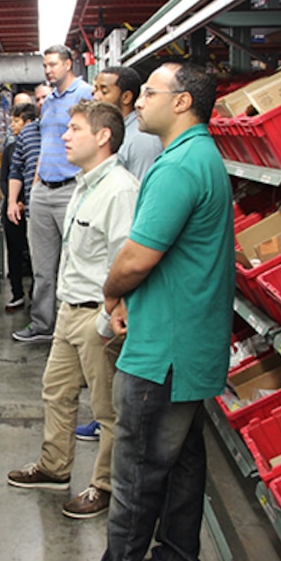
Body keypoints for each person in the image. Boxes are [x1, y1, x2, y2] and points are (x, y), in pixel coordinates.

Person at [50, 63, 234, 561]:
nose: (138, 102)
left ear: (181, 104)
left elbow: (135, 255)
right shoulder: (201, 157)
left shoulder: (178, 166)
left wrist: (110, 293)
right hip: (193, 340)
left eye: (149, 93)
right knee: (181, 462)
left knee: (135, 469)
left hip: (165, 345)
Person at [7, 101, 138, 520]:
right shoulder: (85, 183)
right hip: (69, 309)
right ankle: (54, 467)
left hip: (96, 315)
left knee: (107, 409)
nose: (64, 136)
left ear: (102, 137)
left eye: (74, 128)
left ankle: (105, 485)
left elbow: (126, 262)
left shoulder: (120, 190)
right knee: (56, 391)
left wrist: (107, 317)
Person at [75, 66, 164, 443]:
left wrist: (117, 296)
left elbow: (136, 208)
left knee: (111, 368)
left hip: (124, 266)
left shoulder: (140, 144)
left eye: (103, 88)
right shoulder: (127, 141)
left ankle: (109, 425)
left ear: (125, 97)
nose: (96, 93)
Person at [13, 45, 91, 342]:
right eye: (45, 65)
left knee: (74, 263)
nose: (48, 70)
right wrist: (34, 185)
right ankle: (43, 325)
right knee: (42, 266)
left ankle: (71, 330)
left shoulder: (85, 95)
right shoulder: (49, 102)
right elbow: (46, 146)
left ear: (69, 64)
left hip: (71, 188)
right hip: (43, 190)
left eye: (54, 64)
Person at [3, 101, 40, 311]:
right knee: (15, 252)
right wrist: (13, 202)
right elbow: (7, 177)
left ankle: (36, 294)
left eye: (16, 121)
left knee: (37, 256)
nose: (12, 125)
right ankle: (16, 293)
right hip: (14, 210)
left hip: (33, 209)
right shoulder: (11, 149)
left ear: (29, 122)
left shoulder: (43, 145)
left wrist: (27, 202)